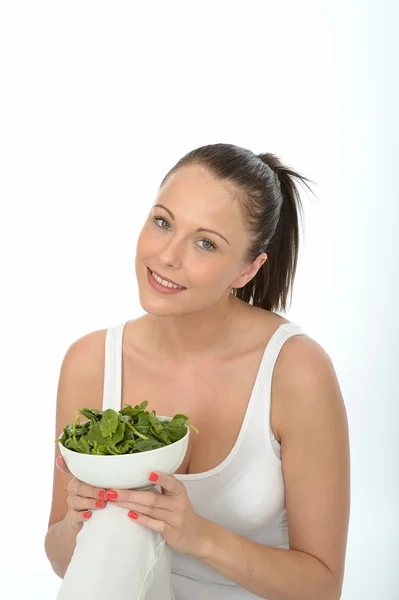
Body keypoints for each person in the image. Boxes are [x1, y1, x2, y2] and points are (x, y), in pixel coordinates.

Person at [45, 143, 350, 600]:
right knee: (114, 524)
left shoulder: (296, 371)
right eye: (163, 222)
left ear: (248, 269)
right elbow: (63, 559)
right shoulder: (90, 362)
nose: (167, 256)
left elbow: (322, 587)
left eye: (205, 243)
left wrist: (200, 536)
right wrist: (78, 518)